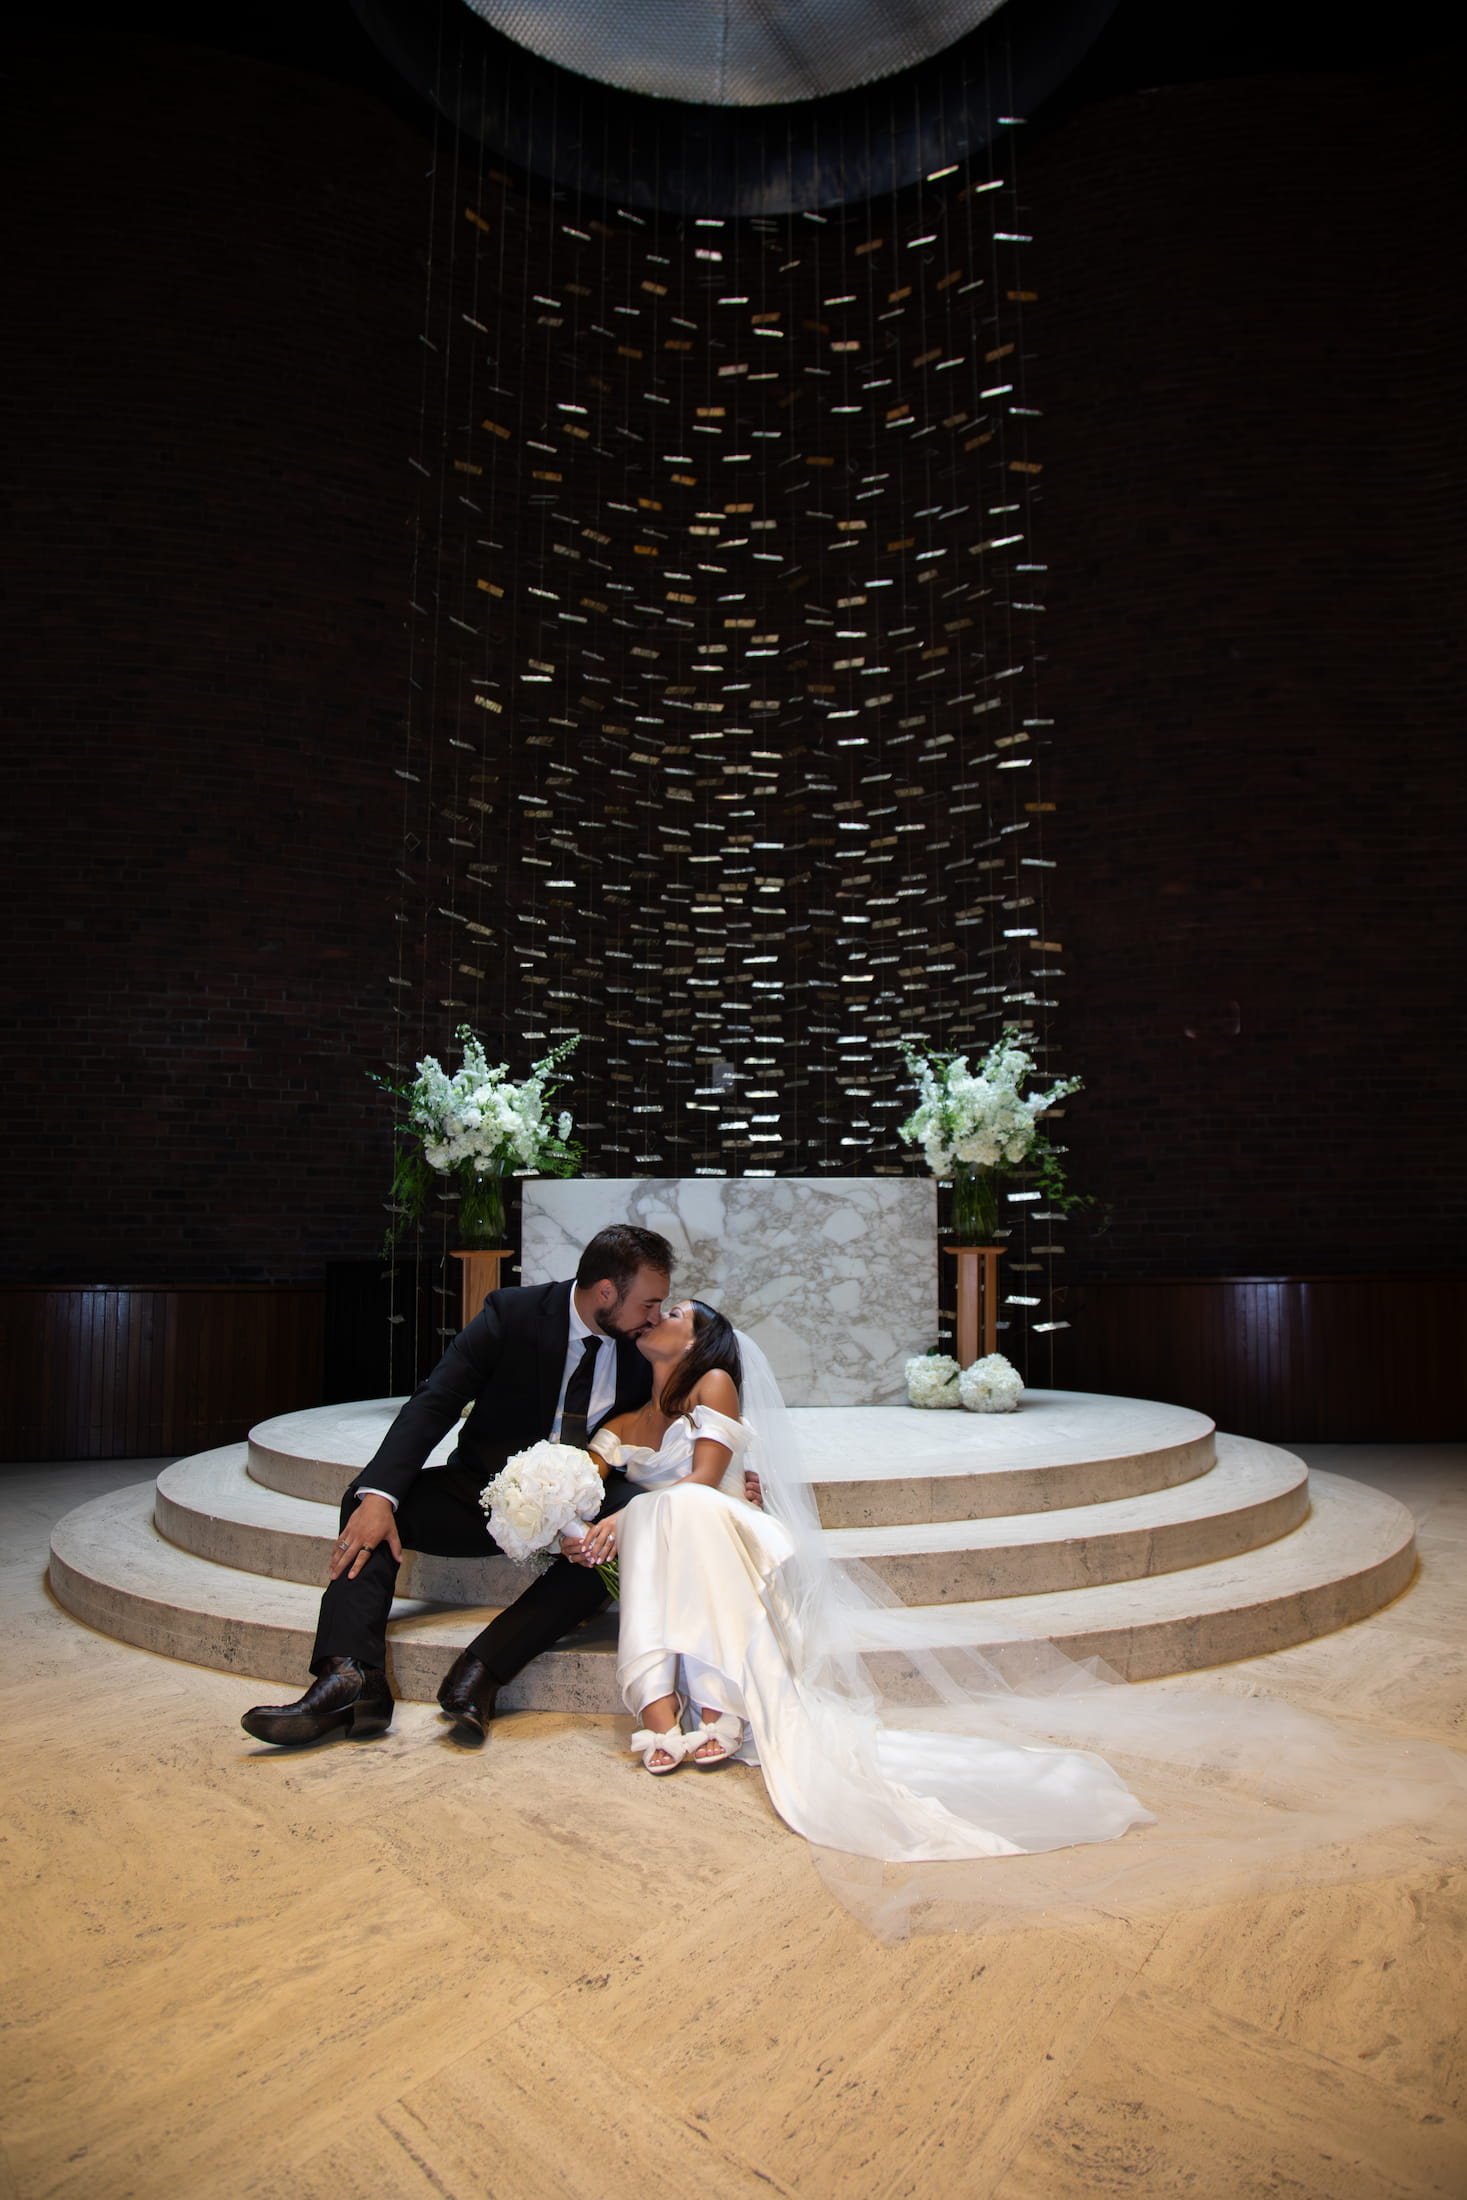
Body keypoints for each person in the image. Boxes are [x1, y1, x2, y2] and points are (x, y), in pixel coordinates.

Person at [565, 1300, 1157, 1862]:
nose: (658, 1317)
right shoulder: (623, 1423)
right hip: (673, 1552)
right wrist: (567, 1524)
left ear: (697, 1343)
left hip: (727, 1535)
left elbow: (704, 1480)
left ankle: (713, 1703)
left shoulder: (713, 1381)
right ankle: (663, 1714)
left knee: (671, 1508)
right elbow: (576, 1481)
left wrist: (625, 1516)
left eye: (675, 1313)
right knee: (657, 1520)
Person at [240, 1223, 674, 1747]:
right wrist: (379, 1495)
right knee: (369, 1502)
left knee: (625, 1538)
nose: (655, 1317)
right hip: (482, 1494)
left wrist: (733, 1472)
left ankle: (479, 1674)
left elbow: (693, 1405)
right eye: (649, 1304)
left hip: (586, 1503)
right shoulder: (512, 1313)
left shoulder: (645, 1344)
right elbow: (437, 1399)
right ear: (606, 1291)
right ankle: (351, 1676)